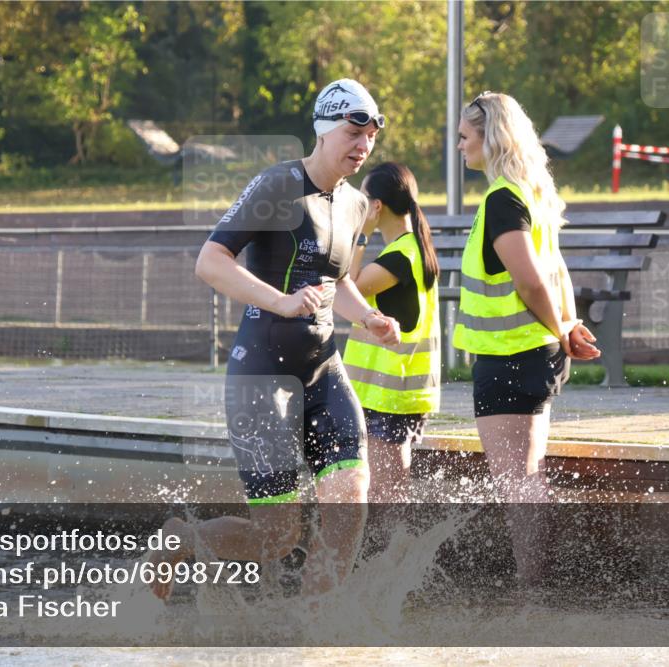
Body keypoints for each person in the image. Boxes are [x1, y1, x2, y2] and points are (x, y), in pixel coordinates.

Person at [147, 79, 401, 601]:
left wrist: (368, 317)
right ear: (326, 129)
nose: (364, 146)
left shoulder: (356, 205)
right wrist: (280, 301)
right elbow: (210, 261)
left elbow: (339, 280)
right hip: (263, 376)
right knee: (277, 536)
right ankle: (182, 541)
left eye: (372, 136)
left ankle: (317, 624)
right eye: (355, 132)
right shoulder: (277, 185)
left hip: (323, 368)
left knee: (350, 496)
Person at [454, 91, 601, 507]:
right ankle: (539, 573)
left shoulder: (502, 198)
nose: (460, 145)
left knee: (518, 486)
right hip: (532, 354)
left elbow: (533, 282)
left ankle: (535, 576)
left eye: (465, 137)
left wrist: (562, 328)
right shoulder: (530, 192)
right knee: (526, 478)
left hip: (510, 358)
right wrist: (568, 325)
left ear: (493, 138)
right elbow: (557, 268)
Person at [342, 163, 440, 503]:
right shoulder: (411, 248)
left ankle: (398, 554)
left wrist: (361, 234)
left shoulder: (399, 257)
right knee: (385, 491)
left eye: (362, 201)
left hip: (390, 393)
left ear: (377, 206)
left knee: (389, 494)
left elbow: (348, 287)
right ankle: (391, 553)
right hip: (392, 392)